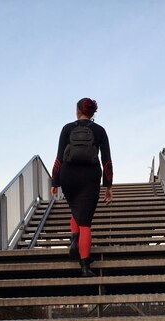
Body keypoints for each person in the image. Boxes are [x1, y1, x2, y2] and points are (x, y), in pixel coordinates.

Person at [51, 97, 113, 277]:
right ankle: (85, 265)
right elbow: (107, 161)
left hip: (68, 175)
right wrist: (108, 186)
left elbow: (58, 158)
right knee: (85, 221)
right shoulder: (100, 130)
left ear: (78, 110)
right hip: (90, 176)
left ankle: (73, 240)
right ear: (93, 112)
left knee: (76, 209)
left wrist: (55, 182)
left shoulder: (67, 128)